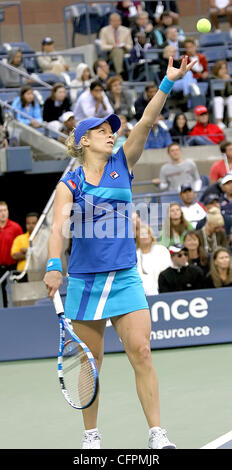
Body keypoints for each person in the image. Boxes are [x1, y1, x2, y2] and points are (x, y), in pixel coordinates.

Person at [43, 54, 196, 449]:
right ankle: (91, 436)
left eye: (113, 130)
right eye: (103, 131)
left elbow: (145, 121)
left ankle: (156, 433)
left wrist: (167, 81)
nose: (112, 134)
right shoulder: (70, 184)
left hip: (125, 275)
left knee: (142, 351)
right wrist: (54, 265)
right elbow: (58, 230)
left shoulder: (123, 162)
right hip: (86, 281)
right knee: (90, 366)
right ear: (84, 140)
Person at [136, 223, 171, 295]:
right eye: (141, 234)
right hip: (141, 292)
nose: (144, 236)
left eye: (147, 233)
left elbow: (167, 270)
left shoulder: (162, 250)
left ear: (151, 236)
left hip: (162, 289)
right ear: (137, 238)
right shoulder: (134, 254)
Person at [0, 201, 23, 307]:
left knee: (13, 292)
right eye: (0, 211)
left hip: (12, 267)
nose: (3, 213)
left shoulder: (15, 227)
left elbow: (22, 246)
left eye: (5, 210)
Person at [210, 60, 232, 129]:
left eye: (225, 68)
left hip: (225, 98)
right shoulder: (212, 77)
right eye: (222, 68)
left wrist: (227, 82)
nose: (224, 70)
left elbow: (229, 93)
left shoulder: (228, 78)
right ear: (217, 69)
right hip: (214, 100)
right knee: (219, 99)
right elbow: (217, 93)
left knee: (231, 98)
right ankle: (219, 122)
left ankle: (231, 121)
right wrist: (222, 81)